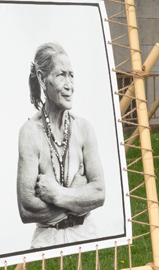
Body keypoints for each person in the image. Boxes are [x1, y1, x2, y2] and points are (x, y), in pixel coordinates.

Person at [17, 42, 106, 248]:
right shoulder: (30, 132)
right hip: (47, 240)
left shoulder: (84, 129)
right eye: (61, 75)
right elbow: (27, 208)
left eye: (71, 75)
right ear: (42, 78)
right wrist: (79, 199)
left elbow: (99, 193)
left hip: (87, 235)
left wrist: (57, 194)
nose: (69, 85)